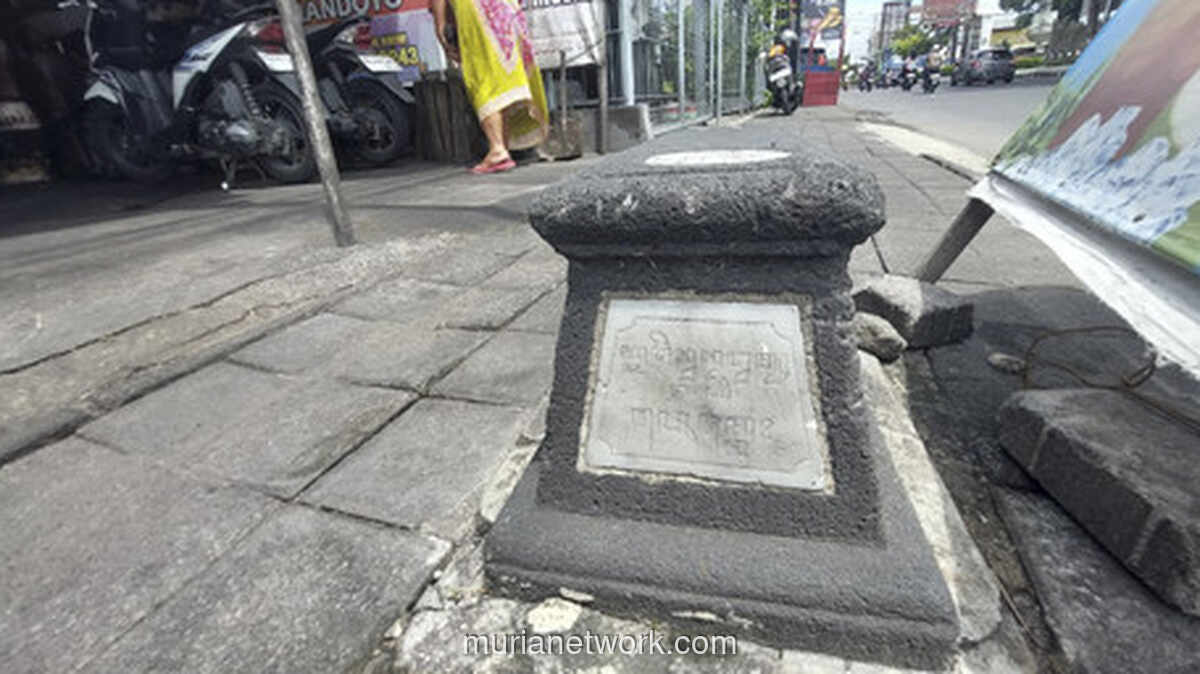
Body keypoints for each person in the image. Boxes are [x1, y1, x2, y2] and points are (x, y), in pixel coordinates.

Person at [432, 0, 549, 174]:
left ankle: (497, 149)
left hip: (476, 9)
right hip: (506, 8)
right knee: (503, 77)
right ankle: (503, 146)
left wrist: (440, 26)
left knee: (483, 75)